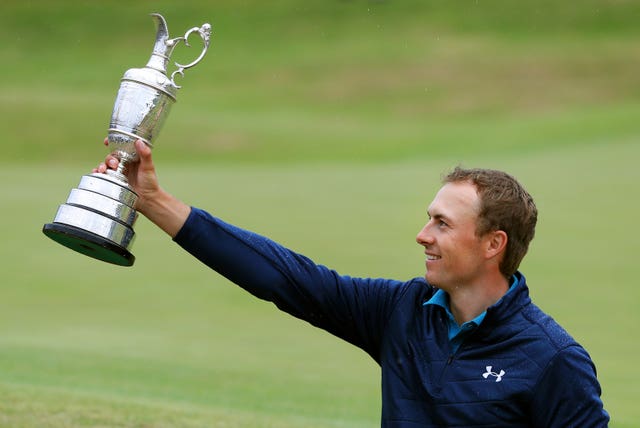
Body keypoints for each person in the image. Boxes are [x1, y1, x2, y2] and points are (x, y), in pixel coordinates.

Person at [95, 139, 609, 427]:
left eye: (443, 224)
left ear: (494, 244)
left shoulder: (552, 360)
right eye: (429, 218)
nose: (422, 235)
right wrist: (155, 203)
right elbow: (286, 278)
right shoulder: (401, 312)